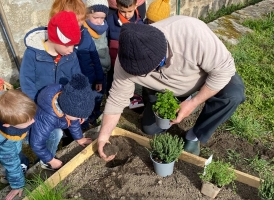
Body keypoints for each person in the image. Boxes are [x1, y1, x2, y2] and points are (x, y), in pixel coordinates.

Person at [97, 16, 246, 160]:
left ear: (161, 55)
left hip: (205, 77)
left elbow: (224, 70)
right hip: (168, 91)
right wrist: (103, 136)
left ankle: (194, 135)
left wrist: (194, 102)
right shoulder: (126, 59)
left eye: (149, 70)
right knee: (150, 129)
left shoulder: (192, 33)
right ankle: (178, 98)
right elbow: (117, 99)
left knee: (233, 95)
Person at [50, 0, 104, 128]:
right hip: (71, 88)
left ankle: (91, 117)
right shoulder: (58, 44)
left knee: (93, 99)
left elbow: (95, 57)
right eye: (74, 25)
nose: (78, 30)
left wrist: (99, 78)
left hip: (89, 80)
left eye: (80, 25)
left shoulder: (85, 35)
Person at [30, 74, 95, 171]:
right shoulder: (47, 118)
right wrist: (51, 160)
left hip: (53, 120)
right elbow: (36, 143)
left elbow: (73, 122)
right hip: (32, 127)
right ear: (66, 109)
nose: (80, 119)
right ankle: (45, 162)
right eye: (78, 116)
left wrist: (80, 138)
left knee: (66, 125)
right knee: (57, 134)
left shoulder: (68, 101)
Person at [20, 10, 82, 102]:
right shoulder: (32, 54)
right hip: (40, 104)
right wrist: (36, 104)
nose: (71, 50)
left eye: (74, 45)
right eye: (67, 45)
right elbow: (27, 83)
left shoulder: (71, 56)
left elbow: (77, 80)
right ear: (55, 39)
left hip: (64, 104)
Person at [106, 0, 144, 104]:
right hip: (113, 61)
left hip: (130, 62)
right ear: (117, 5)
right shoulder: (110, 21)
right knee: (112, 82)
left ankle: (129, 98)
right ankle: (112, 100)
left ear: (136, 5)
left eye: (130, 11)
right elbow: (106, 41)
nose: (127, 15)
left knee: (128, 81)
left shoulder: (139, 23)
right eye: (123, 11)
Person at [84, 0, 111, 120]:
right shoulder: (85, 30)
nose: (100, 21)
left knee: (101, 93)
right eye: (96, 17)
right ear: (87, 14)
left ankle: (96, 111)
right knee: (92, 94)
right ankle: (89, 115)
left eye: (102, 17)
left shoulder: (104, 27)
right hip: (93, 71)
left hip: (104, 68)